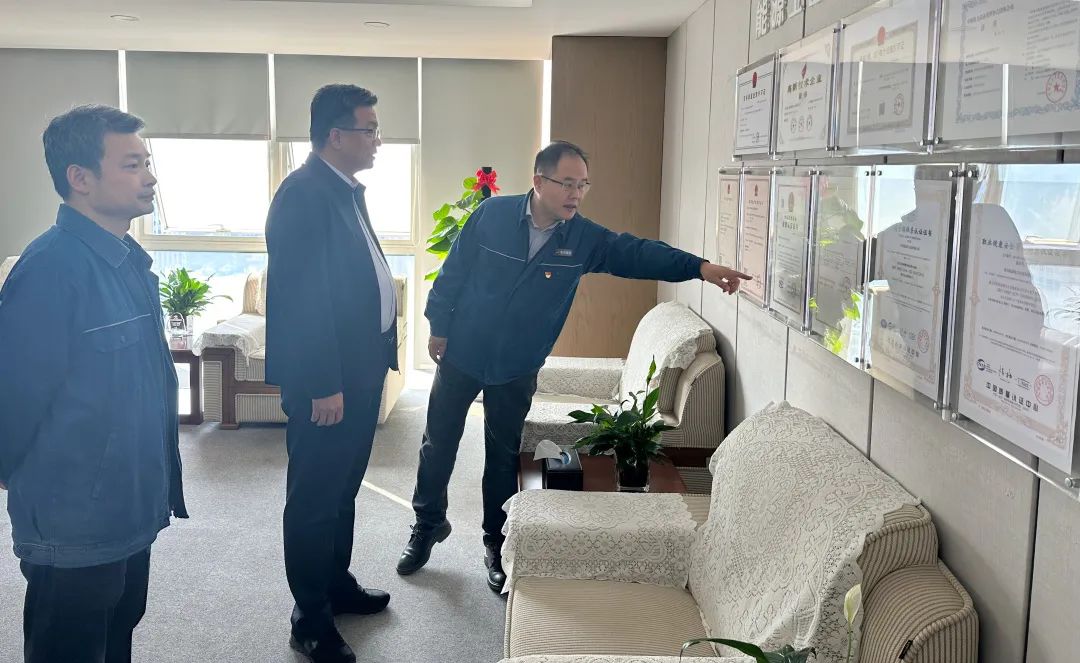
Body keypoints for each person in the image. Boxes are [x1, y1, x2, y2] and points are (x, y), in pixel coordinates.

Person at [397, 140, 749, 592]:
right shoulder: (492, 215)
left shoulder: (583, 238)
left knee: (502, 453)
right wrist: (438, 327)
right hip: (464, 351)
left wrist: (699, 267)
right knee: (438, 441)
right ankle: (427, 524)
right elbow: (453, 274)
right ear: (538, 181)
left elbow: (637, 253)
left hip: (516, 364)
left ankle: (496, 542)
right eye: (567, 183)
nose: (576, 194)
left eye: (583, 185)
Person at [0, 104, 188, 663]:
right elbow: (12, 398)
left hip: (130, 506)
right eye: (132, 165)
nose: (150, 177)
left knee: (116, 635)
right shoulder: (50, 269)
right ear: (80, 178)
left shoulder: (129, 262)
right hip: (73, 522)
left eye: (147, 163)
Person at [264, 84, 398, 663]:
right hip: (328, 382)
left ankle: (335, 584)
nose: (378, 140)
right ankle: (310, 617)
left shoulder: (343, 191)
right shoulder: (303, 195)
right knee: (315, 499)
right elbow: (299, 299)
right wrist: (323, 383)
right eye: (370, 129)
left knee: (343, 489)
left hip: (360, 372)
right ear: (337, 136)